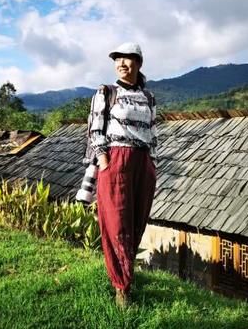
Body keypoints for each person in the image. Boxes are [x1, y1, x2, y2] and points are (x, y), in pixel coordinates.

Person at [88, 42, 157, 308]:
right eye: (118, 59)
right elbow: (95, 130)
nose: (122, 64)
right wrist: (104, 161)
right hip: (116, 159)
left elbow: (153, 132)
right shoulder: (106, 92)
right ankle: (121, 287)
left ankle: (128, 273)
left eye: (128, 59)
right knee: (116, 223)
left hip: (142, 161)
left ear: (138, 63)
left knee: (137, 220)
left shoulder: (149, 97)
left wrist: (152, 162)